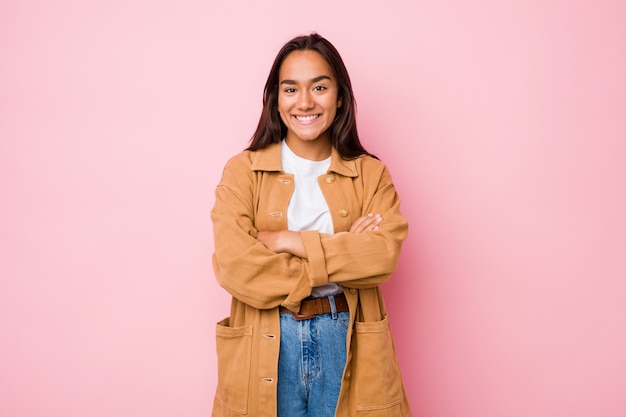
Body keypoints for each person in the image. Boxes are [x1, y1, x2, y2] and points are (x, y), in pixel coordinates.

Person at [211, 33, 411, 417]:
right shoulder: (243, 171)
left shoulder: (370, 174)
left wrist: (287, 240)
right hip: (267, 340)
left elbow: (382, 256)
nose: (305, 102)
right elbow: (236, 265)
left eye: (319, 87)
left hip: (345, 336)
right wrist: (341, 250)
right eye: (291, 89)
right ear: (276, 98)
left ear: (339, 96)